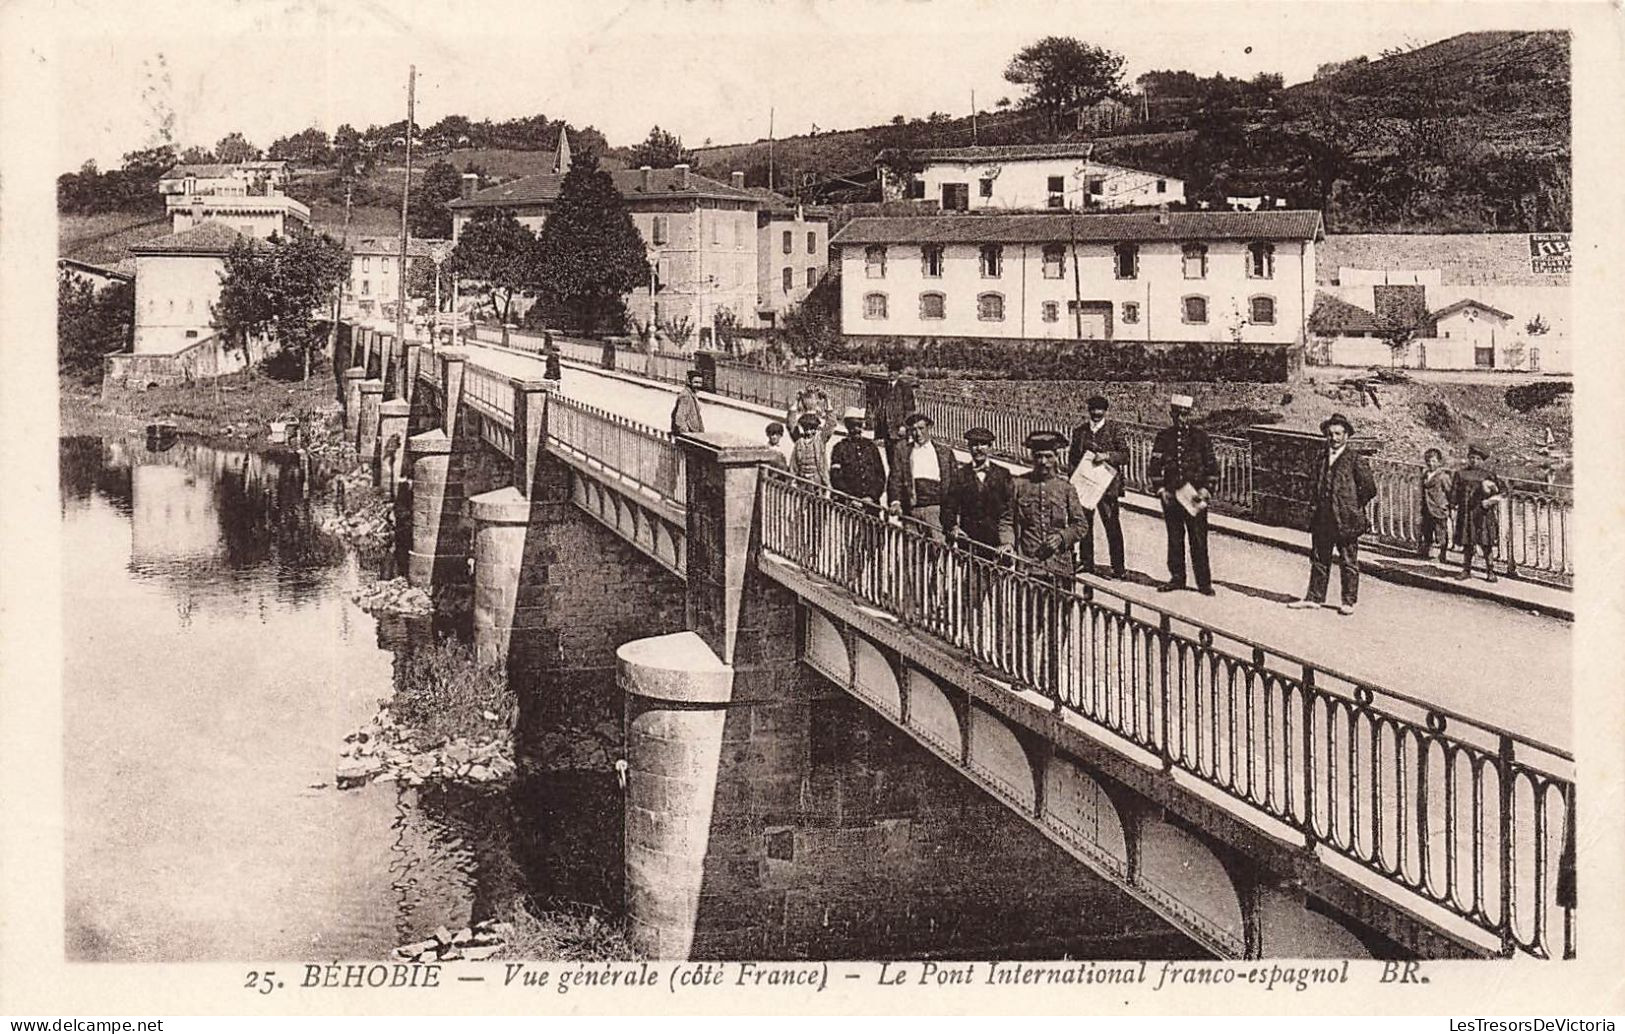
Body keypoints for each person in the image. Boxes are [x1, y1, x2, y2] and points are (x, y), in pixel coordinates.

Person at [1000, 431, 1089, 689]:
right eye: (1038, 456)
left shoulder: (1066, 488)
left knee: (1056, 626)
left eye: (1049, 456)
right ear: (1032, 457)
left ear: (1056, 457)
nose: (1043, 462)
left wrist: (1062, 538)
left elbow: (1080, 525)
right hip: (1029, 566)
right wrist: (1007, 542)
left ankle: (1049, 677)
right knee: (1026, 622)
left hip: (1060, 569)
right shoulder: (1019, 485)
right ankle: (1023, 674)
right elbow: (1007, 520)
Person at [1287, 413, 1377, 615]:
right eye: (1330, 434)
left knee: (1348, 561)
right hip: (1322, 517)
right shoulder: (1321, 457)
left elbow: (1369, 489)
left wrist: (1351, 505)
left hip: (1346, 519)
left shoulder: (1355, 459)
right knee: (1319, 558)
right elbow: (1313, 483)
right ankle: (1314, 597)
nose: (1334, 438)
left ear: (1346, 435)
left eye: (1338, 434)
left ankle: (1348, 601)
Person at [1148, 393, 1219, 595]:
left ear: (1191, 414)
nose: (1182, 418)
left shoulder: (1201, 438)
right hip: (1172, 497)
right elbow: (1154, 466)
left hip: (1195, 497)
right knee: (1174, 538)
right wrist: (1161, 490)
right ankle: (1177, 578)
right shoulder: (1163, 437)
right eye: (1178, 414)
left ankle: (1204, 583)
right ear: (1172, 414)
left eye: (1186, 414)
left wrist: (1206, 489)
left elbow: (1212, 467)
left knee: (1198, 539)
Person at [1066, 394, 1129, 578]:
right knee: (1085, 525)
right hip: (1085, 487)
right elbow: (1072, 459)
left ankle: (1118, 568)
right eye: (1093, 409)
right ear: (1089, 411)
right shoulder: (1080, 432)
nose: (1096, 413)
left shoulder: (1115, 430)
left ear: (1105, 411)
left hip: (1107, 488)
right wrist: (1074, 481)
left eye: (1099, 410)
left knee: (1112, 526)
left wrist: (1108, 456)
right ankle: (1087, 562)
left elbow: (1125, 455)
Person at [943, 427, 1015, 552]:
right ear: (969, 448)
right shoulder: (960, 475)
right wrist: (953, 527)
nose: (979, 448)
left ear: (990, 447)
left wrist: (1008, 542)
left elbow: (1008, 511)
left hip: (996, 542)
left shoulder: (1003, 474)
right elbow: (949, 507)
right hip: (968, 541)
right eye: (974, 444)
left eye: (983, 444)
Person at [886, 412, 954, 539]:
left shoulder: (944, 453)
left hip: (936, 510)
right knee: (912, 550)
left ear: (929, 428)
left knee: (938, 547)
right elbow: (895, 477)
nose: (918, 433)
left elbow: (954, 484)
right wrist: (895, 501)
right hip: (912, 510)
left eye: (921, 428)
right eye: (913, 430)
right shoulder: (904, 451)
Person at [1452, 443, 1504, 583]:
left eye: (1477, 458)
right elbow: (1455, 493)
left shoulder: (1489, 475)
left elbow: (1501, 493)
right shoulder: (1460, 474)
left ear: (1482, 460)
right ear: (1468, 458)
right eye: (1472, 458)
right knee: (1467, 541)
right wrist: (1452, 506)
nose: (1474, 461)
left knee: (1485, 543)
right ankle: (1466, 570)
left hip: (1483, 514)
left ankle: (1490, 571)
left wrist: (1490, 501)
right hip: (1466, 513)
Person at [829, 407, 886, 506]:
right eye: (852, 426)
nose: (856, 429)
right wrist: (850, 498)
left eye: (859, 425)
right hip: (848, 505)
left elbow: (880, 476)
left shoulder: (871, 447)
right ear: (847, 427)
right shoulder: (840, 448)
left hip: (871, 504)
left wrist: (872, 497)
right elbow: (836, 477)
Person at [1417, 447, 1453, 562]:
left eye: (1434, 461)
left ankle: (1441, 554)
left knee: (1440, 532)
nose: (1431, 464)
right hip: (1427, 508)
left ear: (1439, 462)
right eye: (1428, 461)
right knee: (1427, 530)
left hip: (1439, 508)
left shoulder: (1443, 476)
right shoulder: (1425, 474)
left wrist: (1448, 506)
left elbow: (1449, 492)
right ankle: (1427, 550)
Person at [873, 358, 917, 449]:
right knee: (890, 458)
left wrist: (904, 426)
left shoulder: (905, 388)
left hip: (899, 430)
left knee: (900, 458)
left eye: (894, 371)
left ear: (899, 373)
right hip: (886, 431)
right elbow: (880, 409)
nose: (891, 373)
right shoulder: (884, 388)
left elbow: (910, 410)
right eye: (890, 370)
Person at [790, 412, 829, 485]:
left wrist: (829, 408)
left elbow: (830, 426)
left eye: (811, 429)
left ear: (816, 429)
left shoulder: (819, 441)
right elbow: (793, 462)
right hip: (801, 478)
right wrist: (792, 479)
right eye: (806, 429)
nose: (809, 432)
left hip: (815, 479)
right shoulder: (799, 443)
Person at [670, 371, 706, 435]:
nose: (698, 385)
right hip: (689, 435)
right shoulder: (686, 396)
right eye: (696, 382)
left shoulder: (692, 394)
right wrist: (686, 435)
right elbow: (680, 418)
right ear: (689, 382)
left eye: (700, 383)